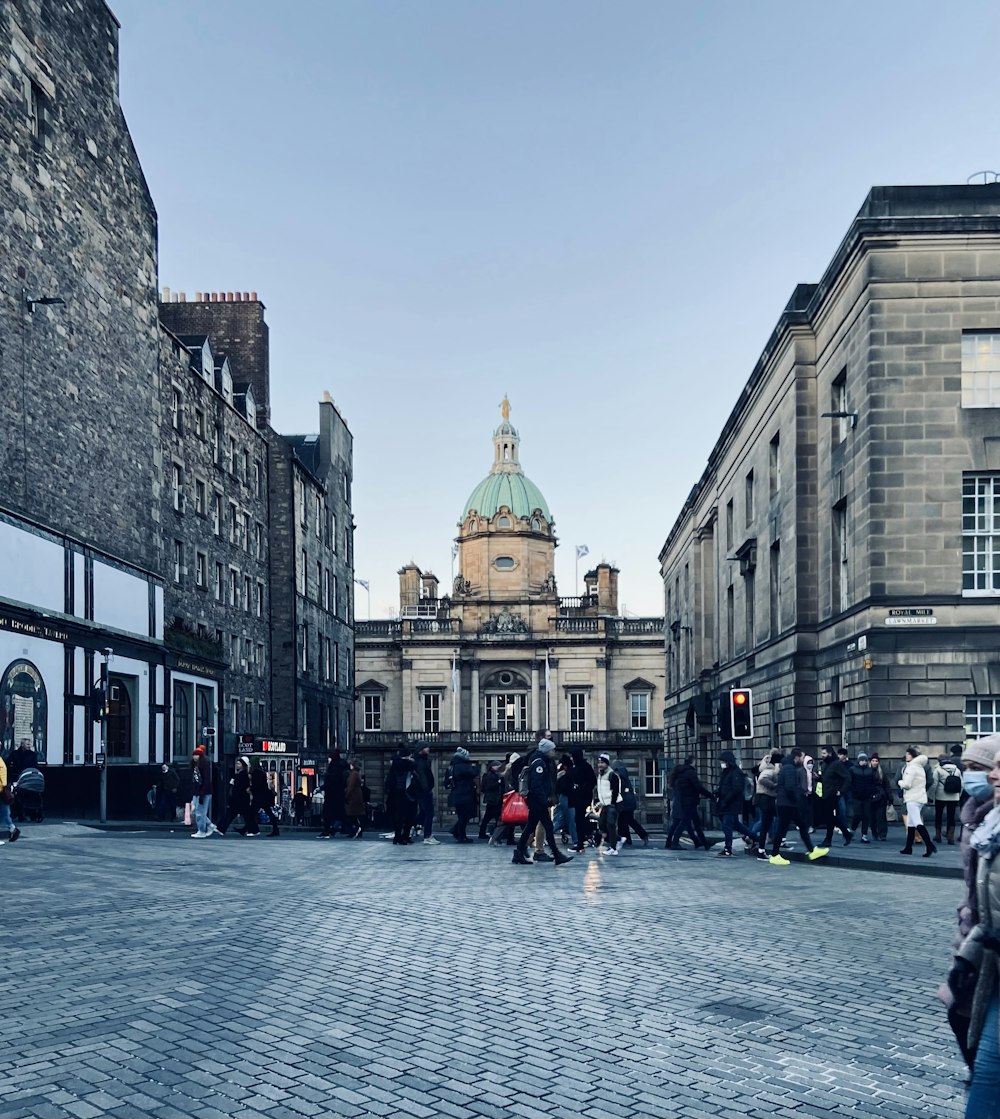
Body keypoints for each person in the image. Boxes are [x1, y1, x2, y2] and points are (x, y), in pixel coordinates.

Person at [951, 741, 1000, 1118]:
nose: (992, 775)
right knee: (985, 1070)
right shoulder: (989, 826)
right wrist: (966, 953)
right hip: (988, 954)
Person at [512, 738, 571, 867]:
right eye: (552, 750)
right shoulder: (539, 763)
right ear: (547, 750)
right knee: (548, 827)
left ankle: (518, 853)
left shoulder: (541, 760)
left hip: (536, 800)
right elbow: (537, 784)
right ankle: (556, 854)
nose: (554, 752)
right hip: (537, 800)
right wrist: (544, 799)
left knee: (530, 827)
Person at [767, 748, 829, 865]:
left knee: (801, 825)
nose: (803, 759)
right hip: (787, 803)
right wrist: (796, 798)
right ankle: (775, 855)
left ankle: (811, 850)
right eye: (802, 757)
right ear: (797, 757)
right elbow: (790, 787)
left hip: (787, 803)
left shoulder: (788, 767)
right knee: (782, 828)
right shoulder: (790, 769)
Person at [714, 750, 757, 858]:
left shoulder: (736, 772)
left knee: (726, 826)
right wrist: (717, 792)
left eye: (722, 761)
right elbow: (724, 786)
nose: (721, 763)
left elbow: (736, 789)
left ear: (728, 761)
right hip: (725, 803)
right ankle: (756, 837)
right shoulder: (726, 772)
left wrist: (726, 800)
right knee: (737, 826)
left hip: (732, 804)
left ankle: (728, 849)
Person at [665, 757, 713, 850]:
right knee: (684, 822)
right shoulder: (690, 773)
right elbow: (698, 787)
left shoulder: (680, 773)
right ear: (693, 762)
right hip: (689, 801)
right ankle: (675, 842)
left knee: (693, 822)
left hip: (684, 800)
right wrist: (710, 795)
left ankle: (701, 842)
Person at [898, 746, 936, 856]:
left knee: (916, 822)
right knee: (911, 824)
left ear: (913, 756)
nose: (906, 756)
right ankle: (908, 848)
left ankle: (929, 846)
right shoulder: (920, 767)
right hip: (920, 797)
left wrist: (900, 782)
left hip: (912, 798)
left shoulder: (911, 767)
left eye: (908, 754)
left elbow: (907, 784)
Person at [818, 746, 853, 847]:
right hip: (825, 793)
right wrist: (818, 778)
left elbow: (847, 778)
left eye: (824, 753)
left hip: (833, 793)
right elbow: (826, 778)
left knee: (829, 816)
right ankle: (846, 834)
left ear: (829, 753)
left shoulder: (837, 764)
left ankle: (828, 839)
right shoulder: (825, 764)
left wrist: (841, 791)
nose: (822, 755)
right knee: (829, 816)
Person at [613, 759, 649, 847]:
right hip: (629, 802)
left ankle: (642, 835)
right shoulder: (624, 774)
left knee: (626, 821)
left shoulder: (618, 775)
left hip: (624, 802)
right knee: (625, 821)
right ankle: (627, 839)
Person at [446, 746, 478, 843]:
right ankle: (460, 835)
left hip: (455, 795)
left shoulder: (450, 767)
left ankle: (459, 833)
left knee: (462, 816)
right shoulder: (464, 766)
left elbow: (446, 783)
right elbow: (474, 773)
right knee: (465, 816)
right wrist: (474, 767)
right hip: (466, 795)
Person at [594, 752, 624, 855]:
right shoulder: (600, 774)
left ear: (607, 763)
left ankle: (613, 848)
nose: (600, 764)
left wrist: (612, 804)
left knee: (610, 825)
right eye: (599, 762)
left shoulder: (612, 775)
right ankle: (618, 839)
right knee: (601, 824)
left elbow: (615, 791)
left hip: (613, 803)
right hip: (605, 803)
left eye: (602, 762)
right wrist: (599, 801)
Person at [568, 746, 597, 854]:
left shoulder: (585, 767)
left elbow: (592, 781)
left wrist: (580, 788)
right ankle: (581, 842)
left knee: (579, 819)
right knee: (578, 819)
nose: (571, 758)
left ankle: (581, 843)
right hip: (577, 797)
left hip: (582, 797)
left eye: (572, 756)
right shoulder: (575, 767)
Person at [751, 750, 781, 851]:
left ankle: (769, 839)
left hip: (762, 798)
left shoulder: (761, 770)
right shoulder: (767, 771)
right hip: (764, 798)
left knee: (767, 821)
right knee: (764, 822)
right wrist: (774, 785)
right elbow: (762, 781)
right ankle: (751, 835)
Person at [386, 746, 416, 845]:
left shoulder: (394, 766)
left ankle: (397, 837)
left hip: (395, 793)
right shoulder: (410, 765)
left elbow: (389, 781)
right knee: (409, 817)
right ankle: (405, 836)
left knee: (397, 817)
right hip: (407, 793)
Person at [217, 757, 253, 836]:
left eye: (239, 764)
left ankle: (221, 828)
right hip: (239, 798)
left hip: (240, 798)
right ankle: (221, 828)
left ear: (243, 765)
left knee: (233, 814)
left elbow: (241, 787)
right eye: (237, 763)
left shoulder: (243, 775)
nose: (237, 765)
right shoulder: (238, 774)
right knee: (240, 815)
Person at [412, 743, 438, 844]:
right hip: (423, 791)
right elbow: (422, 777)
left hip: (423, 790)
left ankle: (415, 826)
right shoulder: (420, 761)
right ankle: (427, 836)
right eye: (426, 747)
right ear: (421, 749)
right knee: (429, 813)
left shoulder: (422, 759)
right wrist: (426, 789)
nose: (428, 749)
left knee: (423, 812)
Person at [934, 754, 963, 844]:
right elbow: (961, 784)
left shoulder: (938, 769)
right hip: (954, 796)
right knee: (951, 817)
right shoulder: (957, 770)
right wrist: (959, 795)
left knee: (938, 815)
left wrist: (931, 795)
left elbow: (934, 784)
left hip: (940, 796)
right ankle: (950, 837)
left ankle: (938, 836)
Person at [319, 751, 348, 838]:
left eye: (330, 758)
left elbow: (332, 781)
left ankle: (328, 830)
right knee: (339, 814)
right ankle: (333, 829)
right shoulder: (341, 766)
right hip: (338, 794)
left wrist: (322, 787)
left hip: (332, 794)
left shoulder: (334, 768)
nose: (328, 759)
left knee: (328, 814)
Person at [190, 745, 217, 838]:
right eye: (194, 755)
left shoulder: (204, 765)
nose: (194, 757)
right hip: (199, 791)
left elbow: (205, 780)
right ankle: (209, 825)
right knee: (196, 811)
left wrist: (201, 793)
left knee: (199, 812)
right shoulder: (196, 766)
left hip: (203, 792)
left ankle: (202, 830)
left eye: (197, 755)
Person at [849, 751, 876, 843]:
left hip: (867, 796)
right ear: (858, 761)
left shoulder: (870, 770)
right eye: (862, 760)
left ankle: (864, 835)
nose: (864, 762)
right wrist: (854, 791)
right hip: (857, 796)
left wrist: (872, 792)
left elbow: (873, 782)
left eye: (865, 760)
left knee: (866, 816)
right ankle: (852, 830)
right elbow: (850, 782)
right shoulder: (853, 769)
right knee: (857, 814)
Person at [248, 759, 280, 837]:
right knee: (269, 813)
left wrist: (250, 789)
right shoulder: (261, 772)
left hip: (259, 797)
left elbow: (257, 785)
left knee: (251, 813)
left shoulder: (256, 773)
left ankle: (253, 830)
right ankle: (275, 829)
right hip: (264, 797)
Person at [552, 754, 578, 849]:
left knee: (561, 819)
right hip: (567, 798)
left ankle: (547, 835)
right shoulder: (567, 774)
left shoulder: (559, 773)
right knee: (570, 819)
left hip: (562, 798)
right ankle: (575, 840)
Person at [869, 753, 895, 840]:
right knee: (872, 818)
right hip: (870, 796)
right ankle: (874, 832)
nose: (874, 762)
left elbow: (886, 785)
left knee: (881, 817)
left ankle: (882, 834)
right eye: (873, 761)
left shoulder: (882, 772)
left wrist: (890, 797)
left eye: (876, 761)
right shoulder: (867, 771)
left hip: (881, 797)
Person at [478, 760, 504, 841]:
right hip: (493, 800)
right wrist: (499, 782)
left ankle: (493, 834)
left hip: (493, 799)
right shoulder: (491, 775)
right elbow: (489, 787)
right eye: (497, 766)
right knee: (489, 818)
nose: (498, 768)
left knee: (492, 818)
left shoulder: (493, 774)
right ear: (493, 766)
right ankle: (487, 834)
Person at [0, 750, 21, 845]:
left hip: (1, 790)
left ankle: (12, 828)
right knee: (5, 812)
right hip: (3, 790)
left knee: (4, 812)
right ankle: (12, 828)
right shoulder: (1, 760)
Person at [344, 761, 365, 838]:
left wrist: (347, 795)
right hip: (356, 795)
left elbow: (351, 786)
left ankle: (355, 829)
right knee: (355, 815)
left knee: (351, 815)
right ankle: (357, 830)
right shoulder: (356, 773)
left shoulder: (353, 774)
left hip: (353, 796)